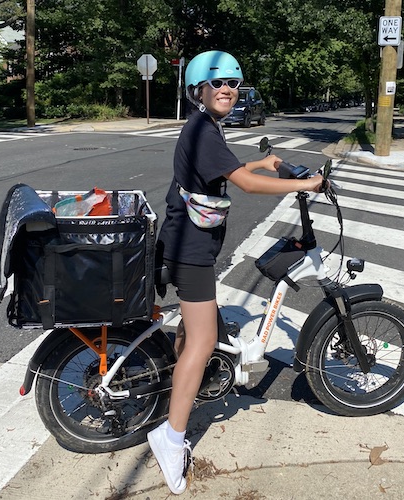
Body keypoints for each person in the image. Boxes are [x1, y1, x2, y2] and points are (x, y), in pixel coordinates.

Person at [147, 50, 325, 495]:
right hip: (190, 250)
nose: (227, 89)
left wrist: (262, 163)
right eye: (217, 83)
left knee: (196, 332)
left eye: (233, 82)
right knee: (205, 339)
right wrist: (302, 184)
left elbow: (227, 172)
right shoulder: (203, 129)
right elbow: (243, 185)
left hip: (188, 243)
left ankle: (179, 389)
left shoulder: (206, 127)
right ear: (198, 90)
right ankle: (169, 438)